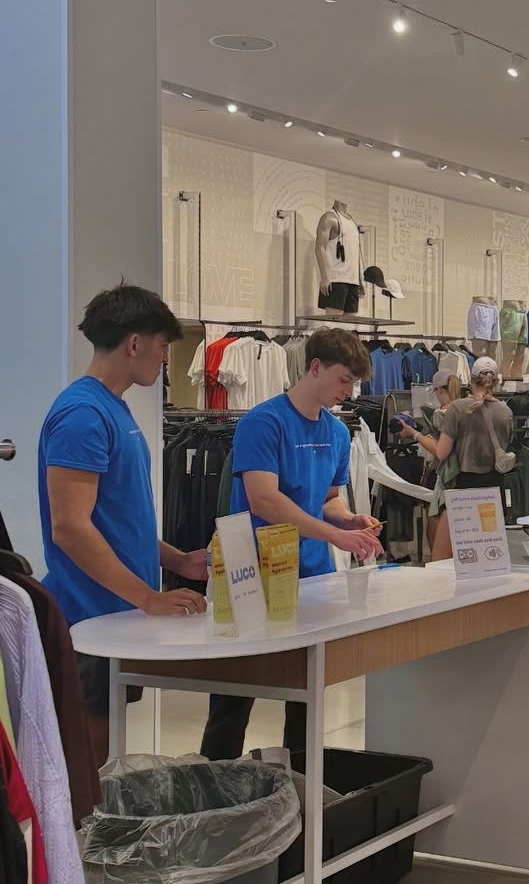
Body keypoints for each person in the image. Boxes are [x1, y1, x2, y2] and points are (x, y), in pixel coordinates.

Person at [38, 283, 208, 762]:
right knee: (89, 769)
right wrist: (148, 598)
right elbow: (70, 527)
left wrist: (177, 561)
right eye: (163, 346)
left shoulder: (113, 408)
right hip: (87, 618)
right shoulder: (83, 415)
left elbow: (118, 520)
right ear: (134, 343)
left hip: (116, 615)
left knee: (107, 762)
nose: (164, 358)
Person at [199, 328, 383, 760]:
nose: (347, 391)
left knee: (307, 694)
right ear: (315, 367)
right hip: (251, 575)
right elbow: (264, 499)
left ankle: (300, 782)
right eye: (343, 380)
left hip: (312, 575)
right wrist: (336, 534)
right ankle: (214, 782)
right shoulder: (263, 422)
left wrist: (349, 519)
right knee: (233, 696)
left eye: (353, 383)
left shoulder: (338, 433)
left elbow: (328, 499)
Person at [427, 358, 514, 562]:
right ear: (496, 381)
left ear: (471, 380)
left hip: (463, 489)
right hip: (494, 489)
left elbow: (441, 453)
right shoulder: (506, 412)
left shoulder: (457, 409)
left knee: (442, 557)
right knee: (488, 557)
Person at [408, 371, 464, 551]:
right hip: (463, 476)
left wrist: (414, 434)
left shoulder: (442, 414)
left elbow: (440, 451)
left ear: (438, 390)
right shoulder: (465, 410)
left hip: (445, 476)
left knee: (436, 527)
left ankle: (437, 563)